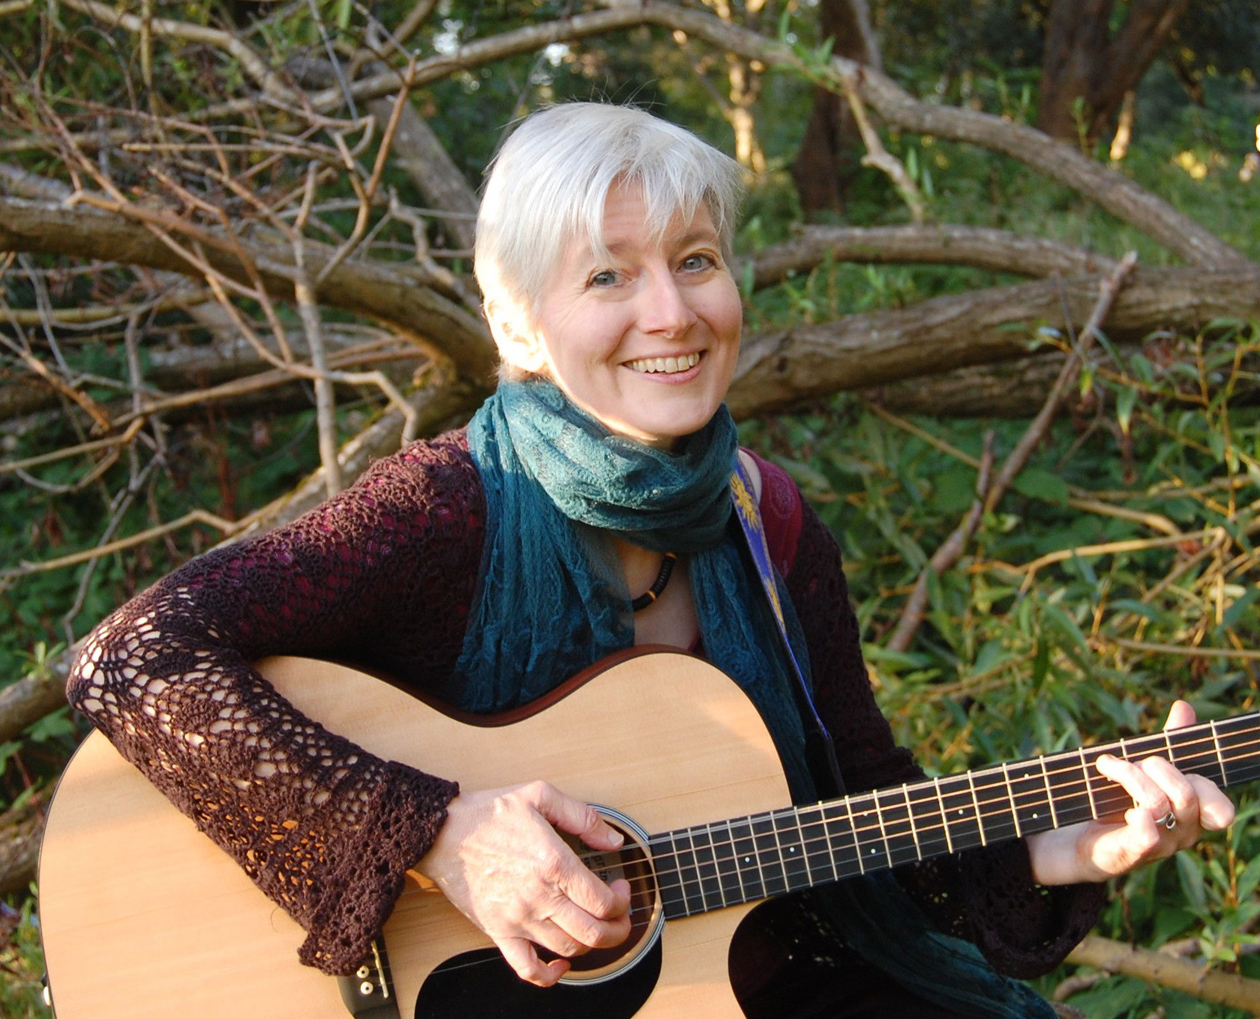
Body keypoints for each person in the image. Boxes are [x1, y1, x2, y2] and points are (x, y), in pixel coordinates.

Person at [66, 103, 1235, 1018]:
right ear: (518, 324)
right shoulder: (446, 511)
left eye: (697, 259)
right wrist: (435, 836)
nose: (671, 312)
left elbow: (858, 825)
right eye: (609, 275)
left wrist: (1063, 845)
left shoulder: (773, 527)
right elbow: (131, 658)